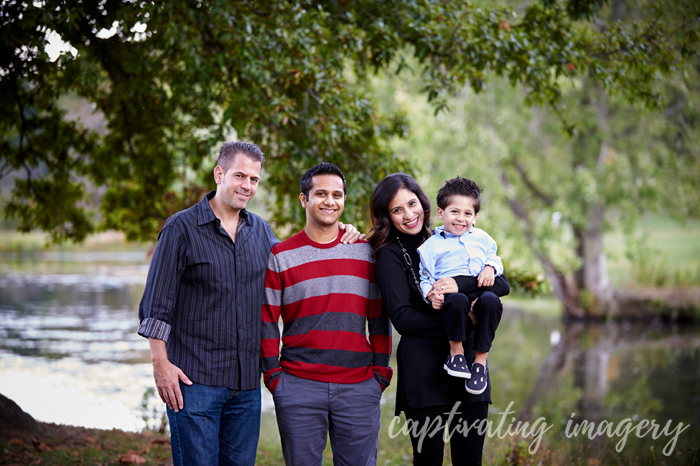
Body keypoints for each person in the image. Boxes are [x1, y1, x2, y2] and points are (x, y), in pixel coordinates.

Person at [137, 142, 361, 466]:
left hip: (245, 387)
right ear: (219, 174)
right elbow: (155, 304)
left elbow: (294, 268)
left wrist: (341, 233)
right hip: (193, 381)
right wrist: (160, 365)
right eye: (240, 175)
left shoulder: (262, 232)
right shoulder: (180, 228)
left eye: (254, 179)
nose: (247, 185)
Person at [368, 173, 508, 466]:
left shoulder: (450, 235)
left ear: (424, 202)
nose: (408, 215)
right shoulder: (389, 255)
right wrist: (468, 321)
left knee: (470, 460)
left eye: (412, 203)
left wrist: (458, 284)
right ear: (386, 216)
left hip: (470, 366)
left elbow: (501, 285)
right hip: (424, 369)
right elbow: (404, 319)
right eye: (397, 210)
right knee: (428, 460)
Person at [261, 162, 393, 466]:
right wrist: (274, 379)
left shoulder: (364, 252)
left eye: (337, 194)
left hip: (359, 386)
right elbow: (267, 321)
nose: (330, 201)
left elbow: (378, 317)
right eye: (321, 193)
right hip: (298, 386)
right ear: (304, 199)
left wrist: (380, 375)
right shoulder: (281, 256)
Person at [417, 176, 505, 395]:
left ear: (475, 217)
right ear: (440, 213)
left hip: (480, 296)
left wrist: (490, 268)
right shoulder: (431, 246)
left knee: (492, 301)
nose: (460, 219)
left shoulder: (483, 239)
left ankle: (480, 362)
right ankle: (455, 353)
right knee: (456, 300)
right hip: (452, 298)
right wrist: (430, 294)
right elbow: (425, 276)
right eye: (454, 211)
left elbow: (495, 258)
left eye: (467, 214)